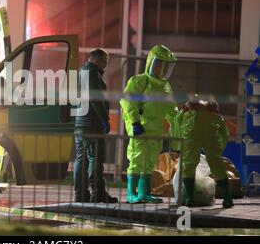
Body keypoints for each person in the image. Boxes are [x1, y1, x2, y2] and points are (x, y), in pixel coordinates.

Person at [120, 45, 177, 204]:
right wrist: (135, 122)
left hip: (156, 132)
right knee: (137, 161)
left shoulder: (165, 87)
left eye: (166, 65)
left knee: (149, 163)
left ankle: (144, 193)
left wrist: (179, 121)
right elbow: (127, 101)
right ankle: (131, 194)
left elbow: (171, 110)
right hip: (140, 130)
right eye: (159, 64)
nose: (162, 68)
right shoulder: (139, 81)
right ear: (151, 62)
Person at [74, 48, 118, 203]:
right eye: (104, 62)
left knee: (81, 158)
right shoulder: (92, 74)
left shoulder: (81, 72)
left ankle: (80, 194)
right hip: (92, 122)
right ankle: (97, 193)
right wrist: (104, 118)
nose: (105, 66)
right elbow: (95, 99)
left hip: (80, 121)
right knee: (95, 159)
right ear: (97, 59)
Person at [174, 99, 234, 208]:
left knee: (189, 165)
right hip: (209, 130)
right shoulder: (211, 110)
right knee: (217, 164)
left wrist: (178, 144)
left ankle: (189, 198)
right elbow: (224, 131)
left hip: (191, 132)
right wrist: (220, 147)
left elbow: (177, 123)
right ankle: (227, 198)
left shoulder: (188, 109)